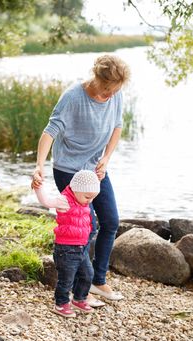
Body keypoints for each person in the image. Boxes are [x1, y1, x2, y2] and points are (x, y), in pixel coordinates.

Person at [31, 54, 131, 302]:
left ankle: (97, 281)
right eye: (106, 89)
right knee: (87, 227)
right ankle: (79, 287)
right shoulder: (73, 96)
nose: (109, 94)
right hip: (69, 169)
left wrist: (106, 158)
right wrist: (39, 166)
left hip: (94, 170)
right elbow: (50, 131)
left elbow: (117, 126)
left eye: (114, 90)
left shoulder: (116, 94)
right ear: (96, 77)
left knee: (110, 221)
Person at [35, 170, 100, 317]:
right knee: (67, 279)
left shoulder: (83, 199)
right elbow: (46, 201)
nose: (89, 201)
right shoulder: (64, 200)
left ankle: (79, 298)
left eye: (93, 198)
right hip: (66, 249)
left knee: (88, 275)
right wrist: (39, 187)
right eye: (88, 197)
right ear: (76, 190)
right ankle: (61, 303)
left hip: (82, 248)